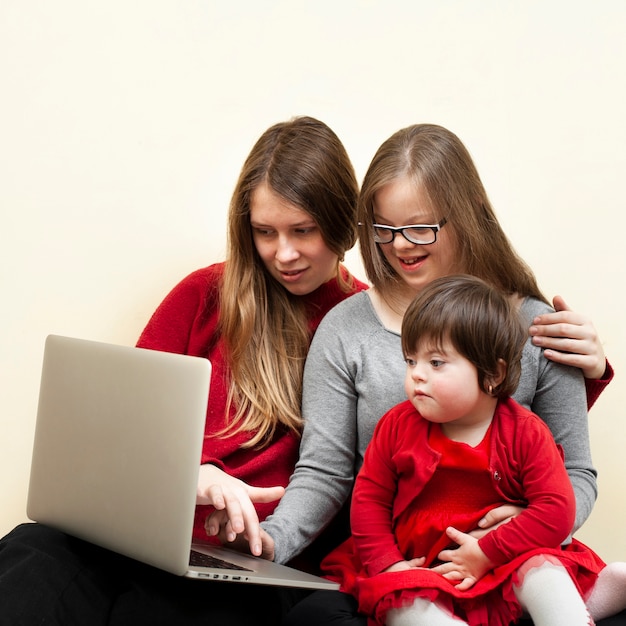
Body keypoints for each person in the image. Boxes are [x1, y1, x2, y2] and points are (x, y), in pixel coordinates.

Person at [0, 115, 369, 625]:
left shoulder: (362, 326)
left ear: (341, 218)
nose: (283, 254)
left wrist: (267, 533)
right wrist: (189, 477)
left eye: (302, 230)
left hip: (250, 566)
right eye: (264, 232)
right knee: (30, 557)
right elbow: (120, 437)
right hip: (138, 536)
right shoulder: (202, 295)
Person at [254, 123, 622, 625]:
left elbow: (573, 471)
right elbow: (327, 473)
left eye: (419, 228)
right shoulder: (348, 327)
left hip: (515, 554)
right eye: (383, 230)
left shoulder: (535, 326)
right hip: (408, 558)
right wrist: (270, 541)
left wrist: (524, 531)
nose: (400, 246)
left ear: (466, 216)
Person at [320, 274, 626, 626]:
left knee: (543, 571)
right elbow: (368, 502)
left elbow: (556, 509)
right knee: (402, 604)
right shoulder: (396, 426)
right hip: (422, 566)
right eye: (410, 360)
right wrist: (389, 564)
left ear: (493, 374)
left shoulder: (526, 433)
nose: (417, 374)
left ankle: (579, 608)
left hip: (504, 558)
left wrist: (487, 552)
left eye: (435, 363)